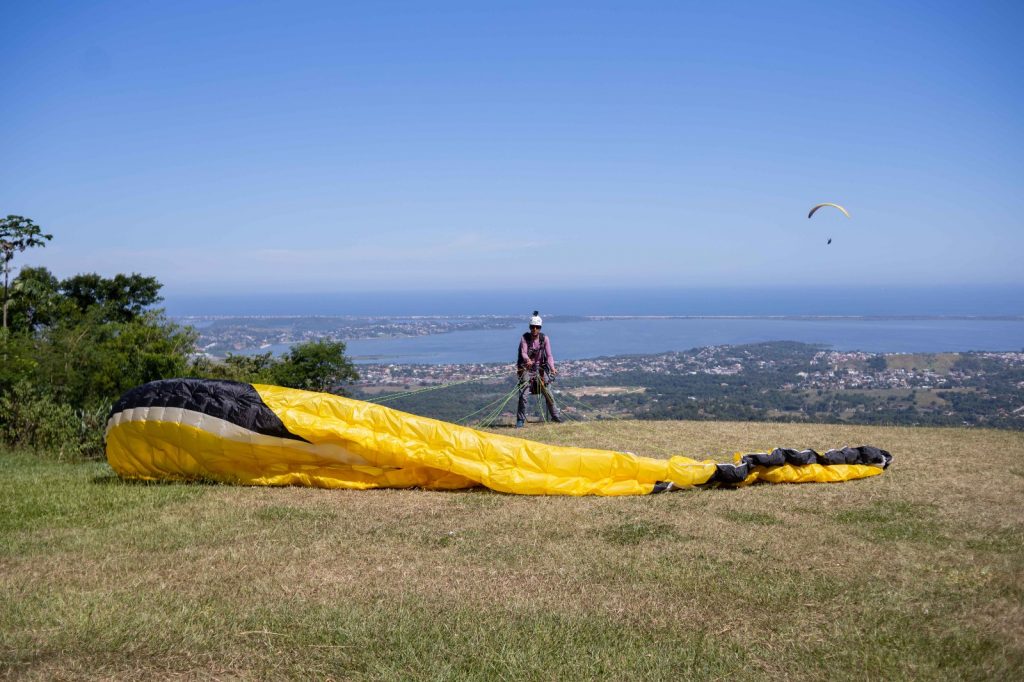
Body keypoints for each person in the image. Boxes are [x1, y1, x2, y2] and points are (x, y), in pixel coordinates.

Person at [516, 311, 561, 427]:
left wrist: (552, 368)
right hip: (527, 368)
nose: (535, 329)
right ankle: (520, 420)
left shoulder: (544, 339)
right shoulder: (524, 338)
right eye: (533, 327)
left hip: (540, 368)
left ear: (540, 328)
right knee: (524, 394)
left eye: (537, 327)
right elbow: (523, 352)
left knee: (548, 392)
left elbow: (549, 355)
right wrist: (527, 360)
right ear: (530, 327)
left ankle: (556, 417)